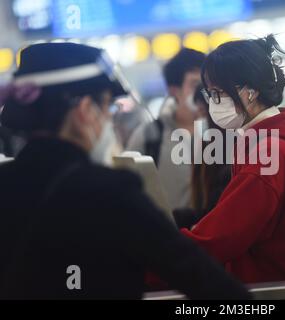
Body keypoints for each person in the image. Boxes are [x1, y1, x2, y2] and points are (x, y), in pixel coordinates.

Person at [0, 43, 250, 300]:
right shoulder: (107, 192)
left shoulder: (6, 185)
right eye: (108, 107)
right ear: (85, 111)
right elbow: (201, 278)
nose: (110, 121)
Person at [181, 35, 285, 284]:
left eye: (219, 93)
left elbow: (221, 237)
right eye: (210, 94)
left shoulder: (268, 155)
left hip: (272, 291)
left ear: (251, 91)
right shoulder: (266, 142)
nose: (213, 104)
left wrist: (158, 258)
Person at [127, 48, 205, 210]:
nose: (203, 92)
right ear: (174, 90)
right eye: (195, 84)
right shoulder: (149, 136)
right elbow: (128, 190)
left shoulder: (224, 133)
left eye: (207, 84)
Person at [173, 85, 231, 229]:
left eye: (202, 111)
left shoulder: (231, 162)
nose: (199, 119)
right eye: (197, 112)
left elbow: (216, 216)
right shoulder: (206, 151)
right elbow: (204, 212)